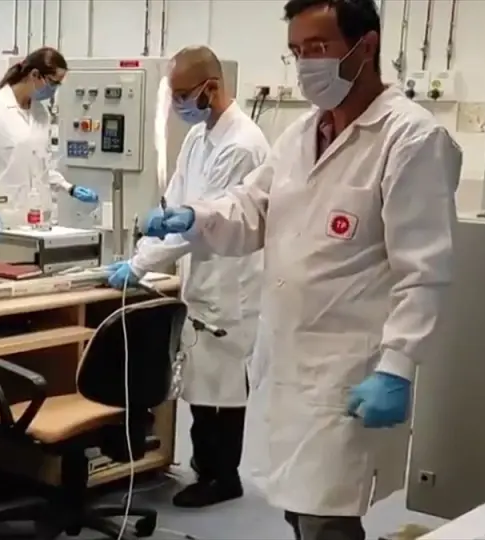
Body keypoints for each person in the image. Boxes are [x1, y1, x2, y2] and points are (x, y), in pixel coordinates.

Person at [139, 0, 462, 538]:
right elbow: (251, 208)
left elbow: (424, 270)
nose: (305, 64)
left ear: (366, 46)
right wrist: (196, 216)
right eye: (296, 51)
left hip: (347, 372)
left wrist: (398, 365)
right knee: (298, 506)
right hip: (285, 361)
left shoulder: (410, 138)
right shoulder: (298, 137)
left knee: (326, 518)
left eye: (318, 47)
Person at [106, 46, 270, 508]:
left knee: (223, 388)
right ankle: (205, 467)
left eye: (182, 95)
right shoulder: (199, 138)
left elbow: (202, 223)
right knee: (201, 383)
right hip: (201, 275)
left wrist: (140, 265)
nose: (178, 104)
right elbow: (177, 205)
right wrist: (146, 243)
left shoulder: (242, 144)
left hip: (229, 281)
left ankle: (223, 477)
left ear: (210, 88)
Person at [0, 47, 99, 228]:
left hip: (41, 217)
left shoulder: (41, 112)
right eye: (52, 83)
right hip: (8, 216)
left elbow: (42, 166)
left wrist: (68, 187)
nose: (53, 90)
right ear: (34, 75)